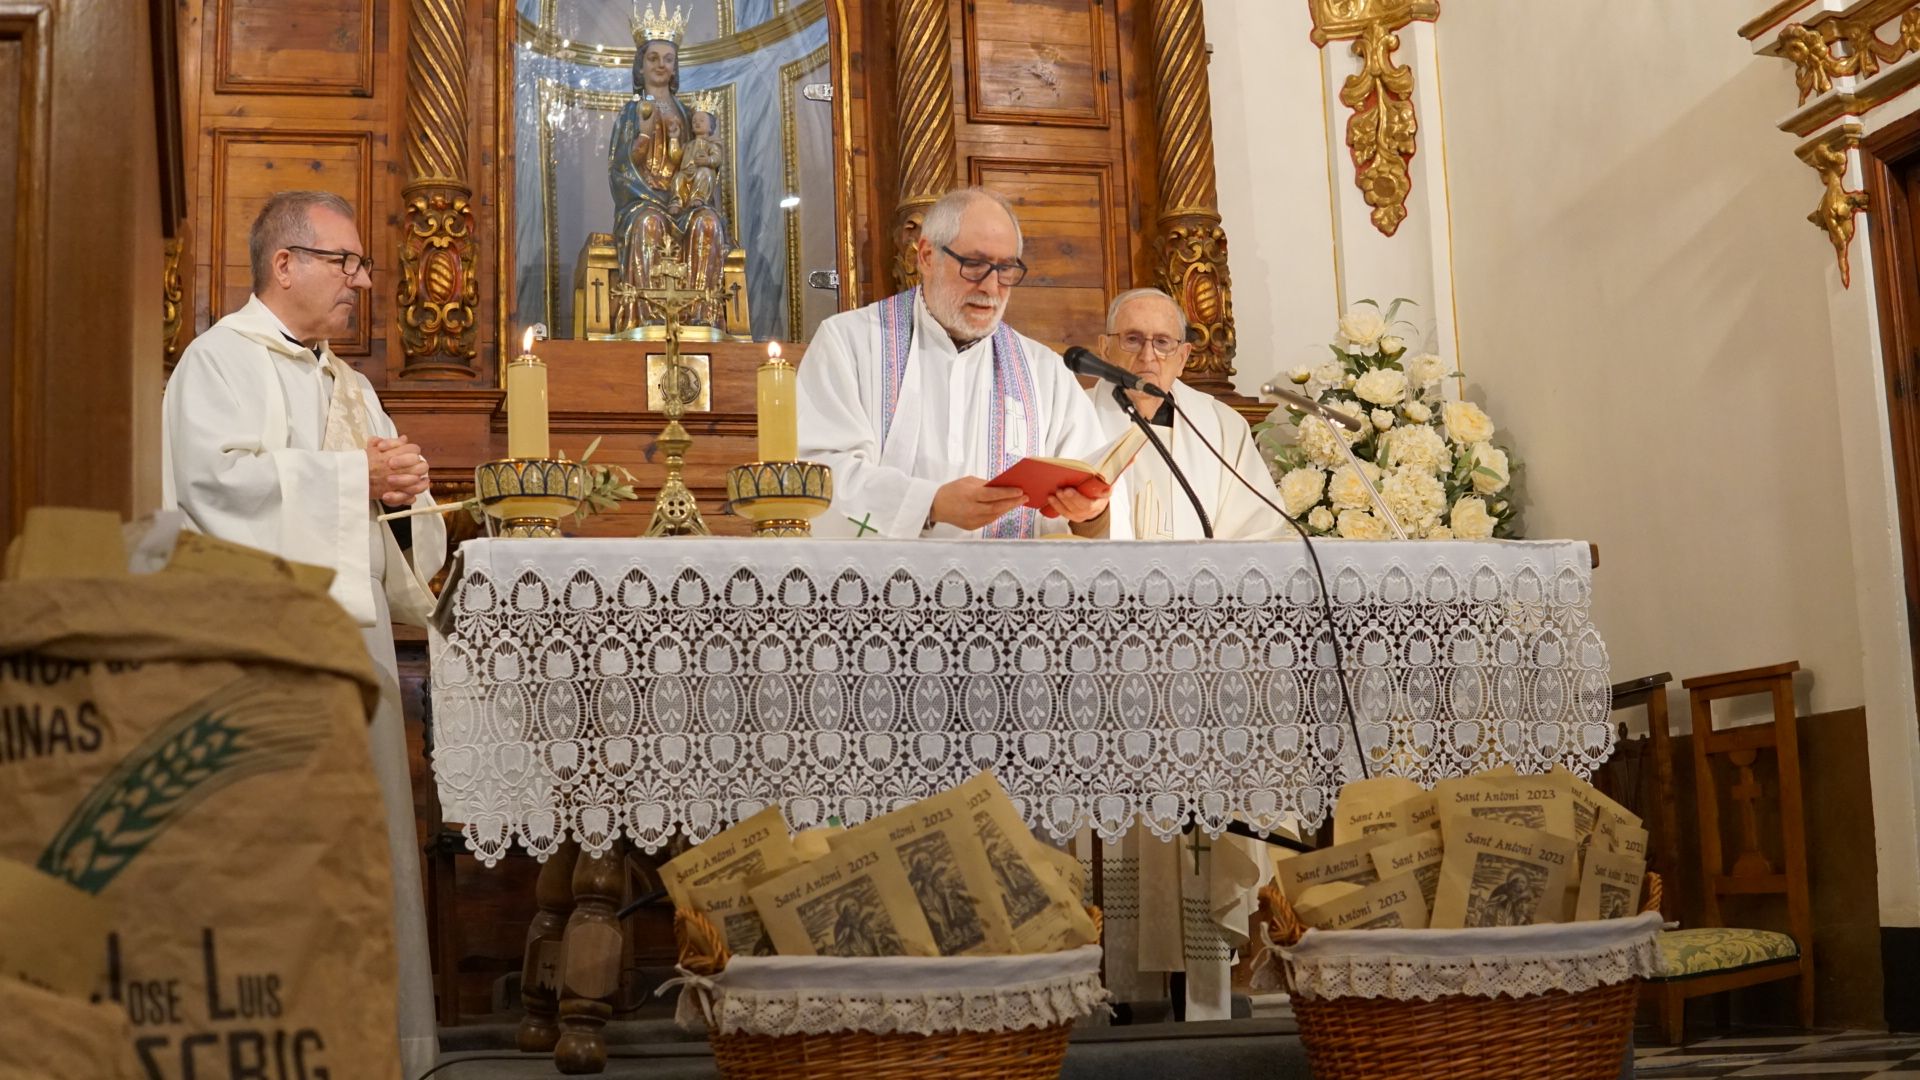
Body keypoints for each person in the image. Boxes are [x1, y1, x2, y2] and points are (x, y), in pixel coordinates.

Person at [161, 190, 443, 1079]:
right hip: (258, 650)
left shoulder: (350, 386)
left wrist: (404, 495)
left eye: (361, 265)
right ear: (284, 265)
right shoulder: (216, 364)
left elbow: (404, 538)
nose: (360, 281)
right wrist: (352, 476)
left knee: (358, 854)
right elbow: (216, 491)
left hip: (350, 652)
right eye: (344, 262)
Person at [797, 187, 1123, 538]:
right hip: (880, 587)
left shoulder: (1045, 373)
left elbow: (1093, 496)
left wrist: (1088, 514)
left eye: (1006, 269)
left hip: (1009, 589)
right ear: (926, 256)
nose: (991, 287)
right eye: (975, 265)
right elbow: (819, 475)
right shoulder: (849, 343)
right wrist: (930, 504)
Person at [1087, 287, 1288, 541]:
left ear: (1182, 358)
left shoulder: (1224, 428)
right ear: (1105, 349)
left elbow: (1260, 531)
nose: (1147, 356)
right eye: (1132, 339)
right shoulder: (1073, 416)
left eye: (1162, 342)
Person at [609, 33, 729, 332]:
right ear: (640, 68)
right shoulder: (631, 112)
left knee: (708, 224)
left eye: (668, 59)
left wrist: (698, 175)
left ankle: (702, 315)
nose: (661, 65)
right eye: (653, 59)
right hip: (643, 198)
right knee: (648, 224)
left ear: (675, 68)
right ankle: (651, 319)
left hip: (685, 198)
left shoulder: (691, 116)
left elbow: (706, 159)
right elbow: (622, 165)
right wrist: (646, 133)